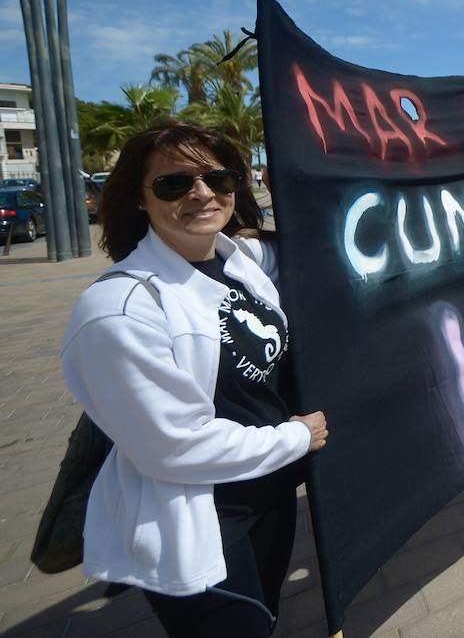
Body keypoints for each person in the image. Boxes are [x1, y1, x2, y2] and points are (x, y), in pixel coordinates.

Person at [61, 121, 329, 636]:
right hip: (199, 514)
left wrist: (290, 184)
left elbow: (326, 238)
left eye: (219, 179)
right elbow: (172, 446)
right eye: (173, 184)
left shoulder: (241, 260)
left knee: (266, 617)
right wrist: (295, 436)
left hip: (268, 492)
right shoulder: (118, 310)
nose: (202, 193)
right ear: (140, 198)